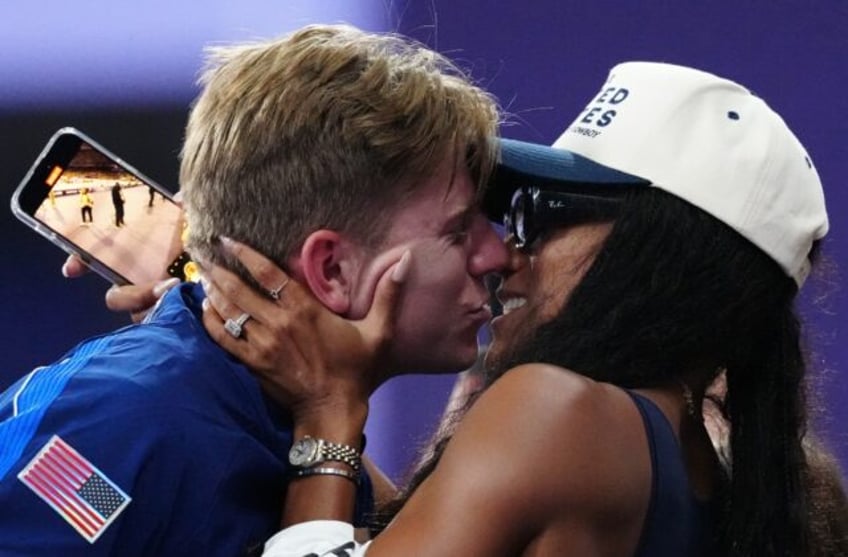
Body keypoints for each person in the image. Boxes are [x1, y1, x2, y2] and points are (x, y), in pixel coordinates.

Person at [201, 62, 841, 556]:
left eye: (541, 216)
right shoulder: (703, 459)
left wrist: (326, 412)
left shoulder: (561, 411)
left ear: (658, 257)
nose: (509, 252)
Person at [0, 24, 509, 556]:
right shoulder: (115, 421)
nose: (495, 255)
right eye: (457, 231)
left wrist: (330, 417)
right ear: (331, 270)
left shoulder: (316, 433)